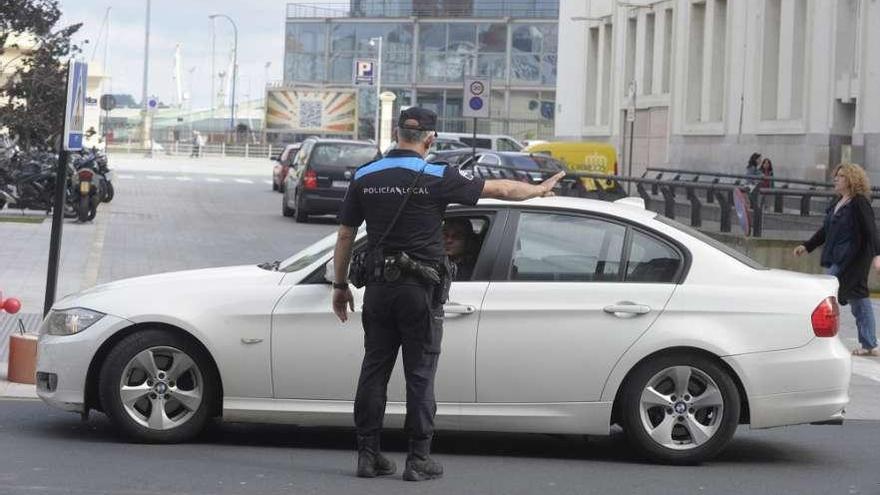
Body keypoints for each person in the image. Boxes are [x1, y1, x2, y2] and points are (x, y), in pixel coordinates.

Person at [332, 107, 564, 481]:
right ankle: (418, 459)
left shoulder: (365, 175)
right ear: (430, 138)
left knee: (373, 372)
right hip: (419, 291)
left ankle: (367, 455)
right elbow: (501, 189)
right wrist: (538, 190)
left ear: (396, 133)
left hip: (377, 289)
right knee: (420, 375)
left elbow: (345, 235)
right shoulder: (438, 175)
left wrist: (340, 286)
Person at [794, 163, 880, 357]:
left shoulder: (859, 202)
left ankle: (820, 337)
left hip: (854, 258)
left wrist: (877, 255)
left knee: (827, 293)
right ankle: (869, 343)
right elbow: (826, 230)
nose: (836, 179)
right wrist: (807, 246)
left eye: (841, 176)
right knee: (857, 299)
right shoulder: (839, 202)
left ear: (850, 180)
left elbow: (871, 230)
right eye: (836, 176)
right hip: (839, 257)